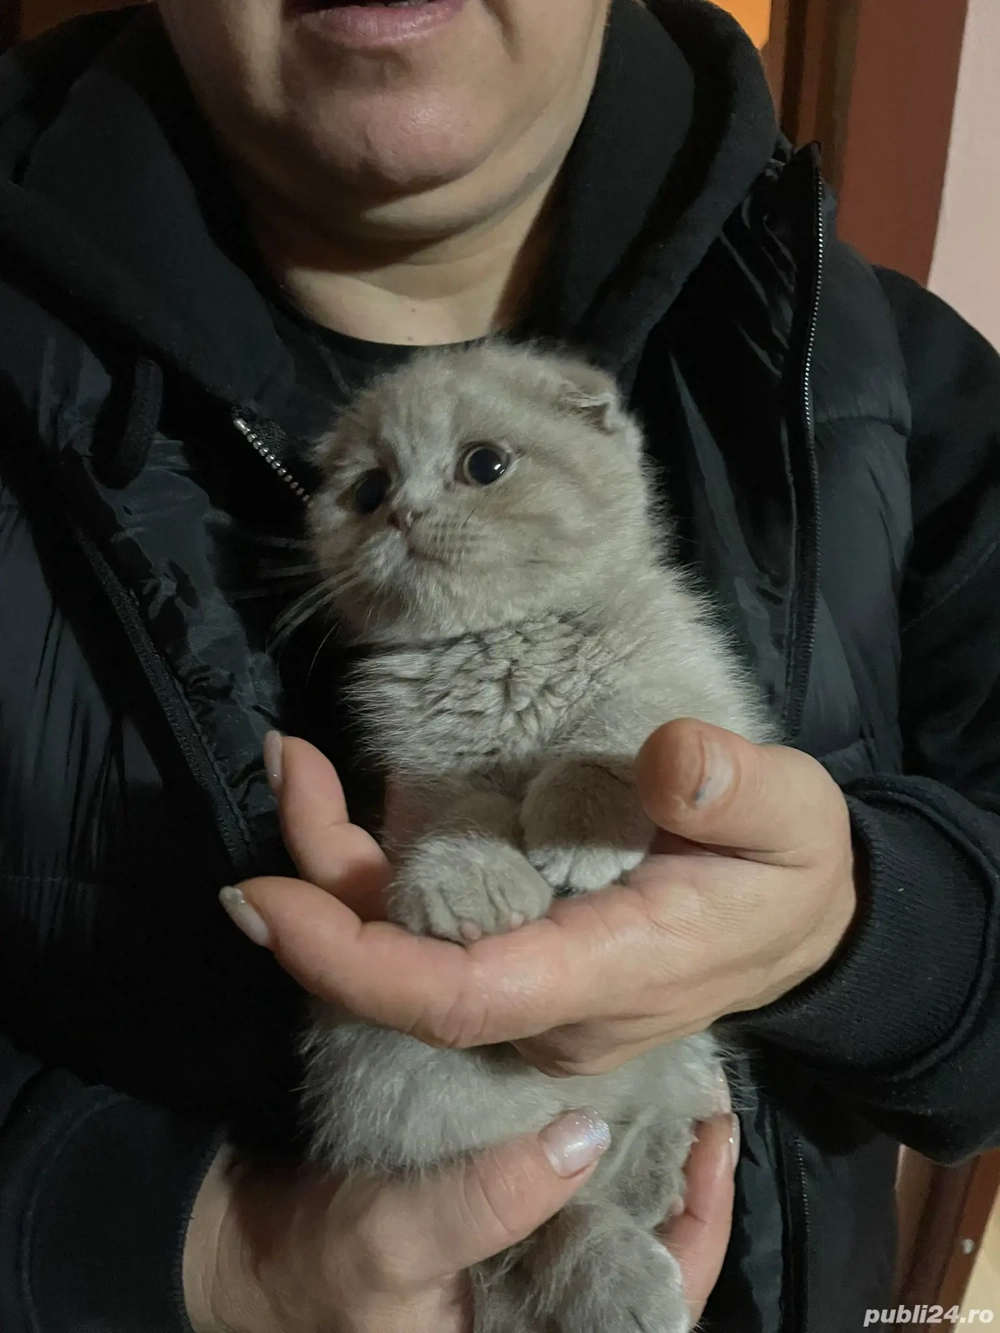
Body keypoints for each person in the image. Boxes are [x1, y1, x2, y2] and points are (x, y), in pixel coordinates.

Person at [0, 0, 998, 1329]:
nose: (406, 511)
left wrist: (860, 924)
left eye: (480, 466)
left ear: (601, 437)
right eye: (361, 494)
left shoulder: (895, 372)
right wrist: (205, 1258)